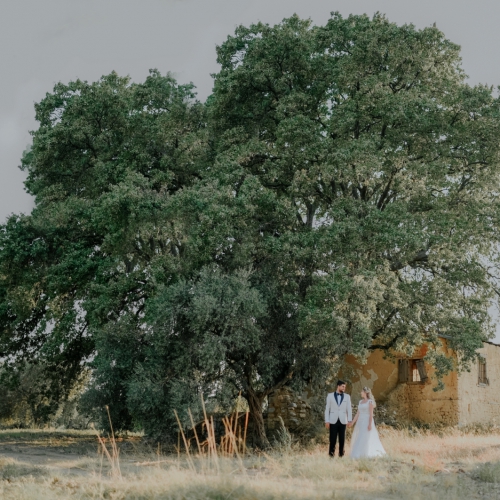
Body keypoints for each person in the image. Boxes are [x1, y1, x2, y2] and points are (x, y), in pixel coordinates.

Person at [349, 386, 386, 459]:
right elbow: (357, 413)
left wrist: (370, 424)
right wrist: (352, 422)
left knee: (365, 436)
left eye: (362, 391)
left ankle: (366, 453)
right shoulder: (360, 402)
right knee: (360, 436)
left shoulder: (370, 402)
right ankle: (359, 453)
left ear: (365, 392)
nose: (361, 393)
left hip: (367, 420)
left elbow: (371, 414)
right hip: (360, 421)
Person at [324, 380, 352, 457]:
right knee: (332, 439)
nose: (344, 388)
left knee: (342, 439)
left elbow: (349, 409)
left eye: (345, 387)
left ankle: (341, 455)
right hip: (333, 420)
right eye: (343, 386)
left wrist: (349, 420)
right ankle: (331, 455)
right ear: (338, 386)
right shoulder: (330, 396)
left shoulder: (347, 396)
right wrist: (327, 420)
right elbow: (327, 409)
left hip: (343, 420)